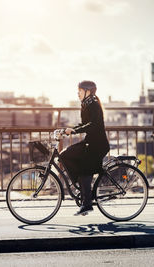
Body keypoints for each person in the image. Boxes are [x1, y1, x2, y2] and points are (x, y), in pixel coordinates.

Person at [59, 80, 110, 216]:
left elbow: (92, 125)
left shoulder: (93, 104)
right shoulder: (86, 104)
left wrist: (74, 131)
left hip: (97, 145)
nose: (78, 94)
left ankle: (87, 204)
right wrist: (69, 130)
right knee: (64, 155)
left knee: (85, 169)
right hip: (90, 142)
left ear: (88, 91)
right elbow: (85, 124)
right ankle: (82, 189)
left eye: (80, 91)